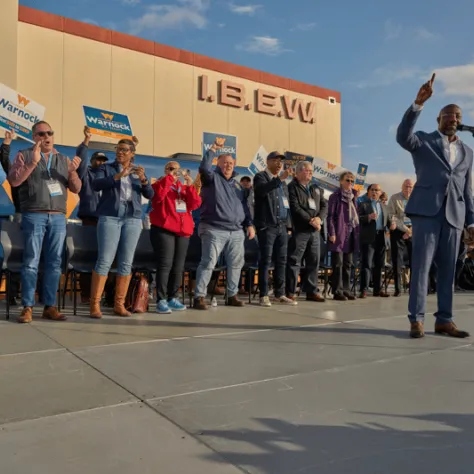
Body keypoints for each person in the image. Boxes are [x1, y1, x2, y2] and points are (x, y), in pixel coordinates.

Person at [396, 73, 474, 338]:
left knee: (449, 269)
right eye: (449, 115)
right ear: (439, 119)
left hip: (454, 216)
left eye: (458, 116)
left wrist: (471, 221)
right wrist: (417, 104)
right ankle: (416, 320)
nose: (454, 119)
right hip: (427, 213)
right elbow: (402, 136)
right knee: (421, 267)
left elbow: (466, 189)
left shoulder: (467, 151)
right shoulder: (423, 140)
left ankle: (444, 320)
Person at [8, 121, 82, 323]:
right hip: (34, 215)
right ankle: (28, 307)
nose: (46, 136)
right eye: (41, 133)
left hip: (58, 217)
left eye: (50, 132)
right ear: (34, 137)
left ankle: (50, 306)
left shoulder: (63, 159)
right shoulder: (24, 155)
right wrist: (32, 162)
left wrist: (73, 172)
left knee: (54, 263)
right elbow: (14, 180)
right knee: (31, 261)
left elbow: (76, 189)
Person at [89, 138, 154, 319]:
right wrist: (117, 177)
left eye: (125, 150)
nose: (120, 152)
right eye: (118, 149)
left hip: (132, 218)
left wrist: (143, 180)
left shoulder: (136, 171)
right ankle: (95, 304)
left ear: (132, 153)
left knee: (126, 262)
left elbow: (150, 194)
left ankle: (119, 304)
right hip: (111, 216)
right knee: (105, 260)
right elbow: (96, 185)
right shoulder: (106, 168)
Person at [193, 137, 255, 310]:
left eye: (231, 163)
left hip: (236, 232)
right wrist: (213, 148)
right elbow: (204, 167)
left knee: (236, 264)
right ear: (218, 164)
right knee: (208, 263)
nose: (228, 165)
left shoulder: (237, 186)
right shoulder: (211, 178)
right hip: (213, 229)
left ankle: (231, 295)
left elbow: (244, 207)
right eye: (224, 162)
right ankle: (199, 297)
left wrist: (249, 224)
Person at [149, 161, 201, 313]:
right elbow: (157, 198)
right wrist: (169, 179)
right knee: (165, 265)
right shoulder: (159, 184)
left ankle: (173, 297)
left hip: (182, 231)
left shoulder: (183, 188)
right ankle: (161, 300)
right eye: (171, 169)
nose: (175, 172)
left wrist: (190, 186)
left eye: (177, 170)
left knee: (178, 267)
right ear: (165, 170)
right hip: (164, 229)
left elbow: (194, 204)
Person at [253, 152, 295, 307]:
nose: (279, 164)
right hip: (267, 226)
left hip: (282, 226)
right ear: (268, 162)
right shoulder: (261, 177)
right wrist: (279, 179)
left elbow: (286, 204)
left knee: (282, 260)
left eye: (281, 162)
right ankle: (263, 295)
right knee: (265, 260)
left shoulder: (283, 183)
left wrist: (289, 226)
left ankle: (280, 293)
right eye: (276, 161)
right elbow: (261, 191)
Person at [76, 126, 109, 303]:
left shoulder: (110, 176)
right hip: (89, 221)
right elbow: (81, 161)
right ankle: (86, 295)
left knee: (105, 258)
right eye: (98, 159)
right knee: (88, 258)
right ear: (93, 160)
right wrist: (86, 141)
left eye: (104, 160)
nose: (101, 162)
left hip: (107, 221)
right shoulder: (86, 174)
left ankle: (103, 294)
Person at [287, 161, 328, 302]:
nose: (310, 173)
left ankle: (311, 291)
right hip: (301, 230)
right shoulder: (292, 187)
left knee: (313, 261)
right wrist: (311, 220)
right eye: (307, 170)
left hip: (315, 231)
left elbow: (324, 205)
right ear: (298, 172)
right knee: (294, 260)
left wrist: (319, 219)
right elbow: (295, 207)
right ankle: (290, 292)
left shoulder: (315, 187)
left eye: (311, 171)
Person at [327, 171, 359, 301]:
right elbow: (330, 217)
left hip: (350, 234)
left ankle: (346, 289)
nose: (350, 183)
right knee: (338, 264)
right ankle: (337, 290)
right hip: (339, 233)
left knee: (348, 264)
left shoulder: (354, 197)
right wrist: (332, 232)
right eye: (347, 180)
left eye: (352, 181)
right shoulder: (335, 196)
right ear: (341, 181)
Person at [358, 183, 393, 298]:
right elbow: (357, 219)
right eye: (372, 190)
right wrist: (368, 217)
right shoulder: (363, 204)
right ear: (368, 192)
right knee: (367, 264)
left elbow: (388, 221)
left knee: (379, 264)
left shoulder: (384, 206)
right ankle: (363, 289)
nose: (374, 192)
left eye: (377, 190)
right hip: (368, 237)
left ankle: (377, 290)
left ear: (380, 192)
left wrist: (391, 224)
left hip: (381, 237)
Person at [0, 129, 21, 305]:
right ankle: (11, 294)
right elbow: (6, 163)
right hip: (21, 217)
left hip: (39, 218)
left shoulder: (41, 174)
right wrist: (6, 144)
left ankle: (15, 294)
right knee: (13, 254)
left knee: (26, 257)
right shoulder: (16, 176)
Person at [387, 179, 414, 296]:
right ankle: (398, 288)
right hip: (399, 232)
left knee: (415, 261)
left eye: (410, 186)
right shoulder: (394, 198)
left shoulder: (417, 199)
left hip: (413, 232)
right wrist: (405, 229)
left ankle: (413, 288)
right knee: (397, 260)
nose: (408, 189)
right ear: (402, 186)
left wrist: (410, 231)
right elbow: (392, 216)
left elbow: (420, 217)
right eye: (406, 186)